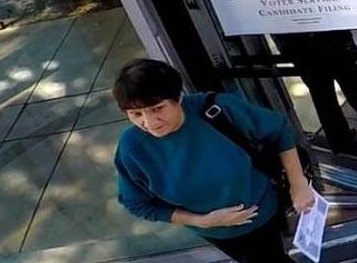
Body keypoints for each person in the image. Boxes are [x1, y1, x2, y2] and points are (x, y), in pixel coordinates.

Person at [112, 59, 313, 263]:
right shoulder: (132, 149)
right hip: (220, 233)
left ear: (178, 98)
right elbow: (138, 203)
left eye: (157, 109)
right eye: (135, 114)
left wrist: (298, 183)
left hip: (267, 209)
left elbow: (278, 130)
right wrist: (202, 221)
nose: (149, 123)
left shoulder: (219, 109)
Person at [272, 30, 357, 152]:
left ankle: (341, 139)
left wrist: (285, 48)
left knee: (322, 94)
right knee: (347, 75)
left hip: (300, 45)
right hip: (328, 37)